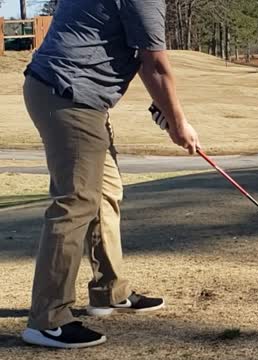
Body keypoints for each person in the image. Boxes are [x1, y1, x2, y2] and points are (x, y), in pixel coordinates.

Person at [21, 0, 200, 349]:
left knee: (105, 193)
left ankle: (108, 292)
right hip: (69, 94)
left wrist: (165, 109)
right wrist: (179, 125)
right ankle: (47, 319)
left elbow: (124, 51)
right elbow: (156, 66)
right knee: (76, 202)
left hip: (69, 92)